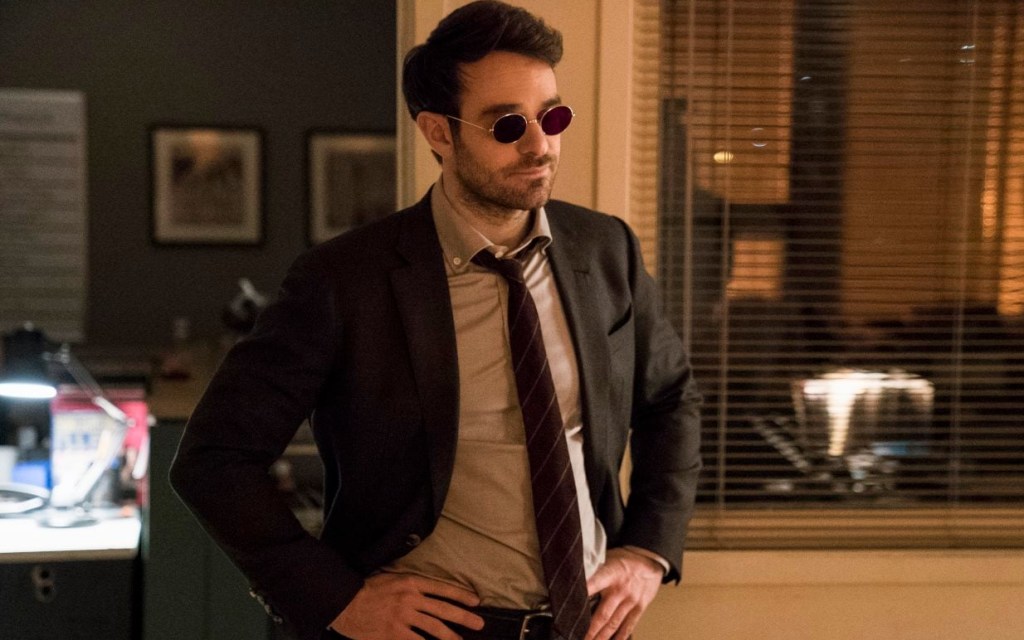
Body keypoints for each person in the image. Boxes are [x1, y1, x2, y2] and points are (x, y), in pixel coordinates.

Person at [169, 2, 702, 639]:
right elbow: (214, 459)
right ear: (439, 133)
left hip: (585, 624)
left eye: (552, 117)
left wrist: (648, 549)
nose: (540, 145)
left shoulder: (605, 249)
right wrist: (336, 600)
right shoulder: (344, 281)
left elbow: (671, 399)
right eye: (508, 125)